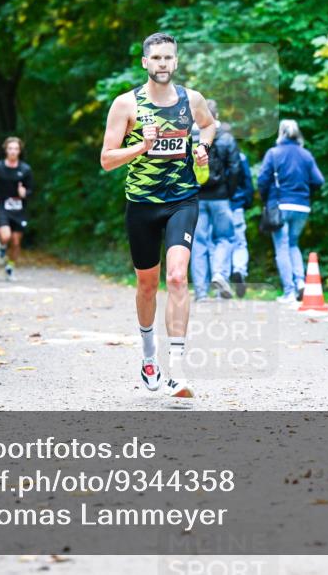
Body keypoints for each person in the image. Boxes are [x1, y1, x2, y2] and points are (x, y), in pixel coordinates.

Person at [100, 32, 216, 399]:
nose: (163, 64)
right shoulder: (126, 104)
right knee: (148, 285)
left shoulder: (190, 100)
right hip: (142, 205)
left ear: (176, 62)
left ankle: (177, 371)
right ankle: (149, 356)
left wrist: (202, 147)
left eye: (169, 58)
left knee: (179, 278)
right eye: (156, 58)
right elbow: (106, 160)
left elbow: (209, 125)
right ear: (145, 63)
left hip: (182, 199)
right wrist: (142, 146)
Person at [257, 119, 325, 303]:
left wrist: (267, 199)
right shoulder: (306, 155)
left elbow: (262, 180)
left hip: (280, 206)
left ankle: (289, 292)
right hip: (302, 206)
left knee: (282, 248)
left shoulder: (274, 153)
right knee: (293, 244)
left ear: (281, 133)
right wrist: (304, 193)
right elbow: (318, 180)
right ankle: (301, 283)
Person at [190, 99, 242, 301]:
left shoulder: (190, 137)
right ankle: (219, 274)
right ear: (217, 115)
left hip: (196, 197)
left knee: (198, 243)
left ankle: (201, 293)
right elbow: (235, 168)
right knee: (225, 238)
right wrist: (228, 191)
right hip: (220, 197)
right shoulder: (227, 138)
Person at [0, 137, 33, 282]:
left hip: (19, 208)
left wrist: (24, 193)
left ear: (20, 151)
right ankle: (1, 245)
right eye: (10, 148)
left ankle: (10, 267)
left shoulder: (25, 169)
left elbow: (30, 190)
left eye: (16, 149)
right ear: (6, 150)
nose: (13, 151)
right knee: (6, 236)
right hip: (2, 205)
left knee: (17, 242)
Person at [229, 151, 255, 297]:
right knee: (239, 243)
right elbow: (247, 181)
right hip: (237, 205)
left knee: (220, 242)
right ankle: (239, 269)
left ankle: (220, 278)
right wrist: (246, 202)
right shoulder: (241, 156)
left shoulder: (207, 151)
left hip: (217, 204)